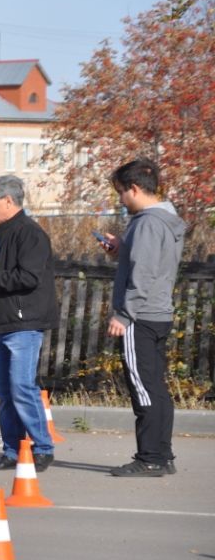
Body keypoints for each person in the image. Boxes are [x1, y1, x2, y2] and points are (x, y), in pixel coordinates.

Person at [0, 175, 59, 472]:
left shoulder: (30, 233)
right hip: (0, 321)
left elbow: (29, 277)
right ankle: (12, 449)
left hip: (23, 323)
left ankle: (43, 447)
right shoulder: (1, 233)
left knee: (21, 387)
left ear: (8, 200)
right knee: (5, 392)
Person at [100, 158, 185, 477]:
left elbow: (145, 272)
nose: (121, 200)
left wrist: (124, 314)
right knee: (156, 387)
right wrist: (123, 247)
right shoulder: (164, 218)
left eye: (122, 192)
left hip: (141, 316)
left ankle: (150, 457)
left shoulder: (148, 222)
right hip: (158, 312)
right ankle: (163, 454)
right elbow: (151, 260)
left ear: (135, 189)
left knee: (143, 388)